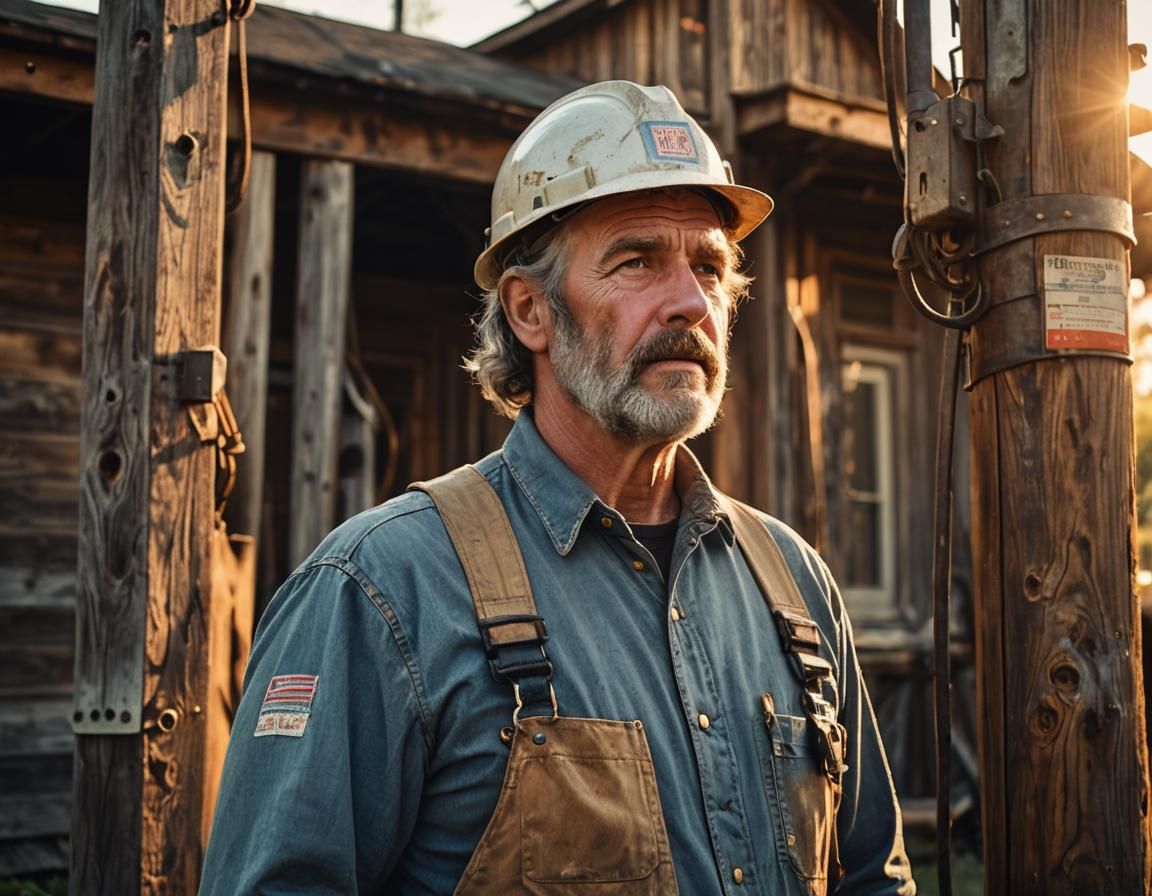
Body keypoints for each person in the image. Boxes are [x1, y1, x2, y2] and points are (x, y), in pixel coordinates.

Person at [199, 80, 915, 895]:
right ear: (530, 309)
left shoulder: (793, 584)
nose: (691, 302)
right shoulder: (383, 589)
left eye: (710, 267)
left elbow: (872, 879)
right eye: (637, 260)